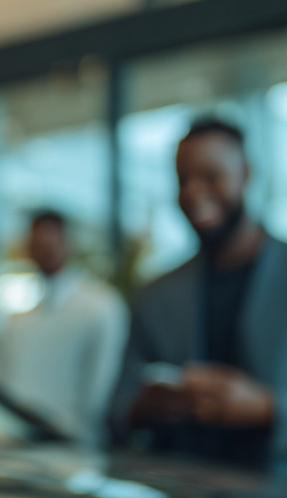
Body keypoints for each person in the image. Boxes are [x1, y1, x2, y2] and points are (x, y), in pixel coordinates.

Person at [109, 118, 287, 474]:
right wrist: (149, 406)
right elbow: (117, 412)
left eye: (211, 176)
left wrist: (268, 408)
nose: (193, 192)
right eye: (183, 180)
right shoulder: (155, 296)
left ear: (246, 174)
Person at [0, 210, 128, 445]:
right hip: (18, 441)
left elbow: (102, 385)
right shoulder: (19, 311)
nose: (43, 249)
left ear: (67, 243)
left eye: (49, 241)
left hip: (74, 442)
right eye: (36, 243)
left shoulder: (99, 306)